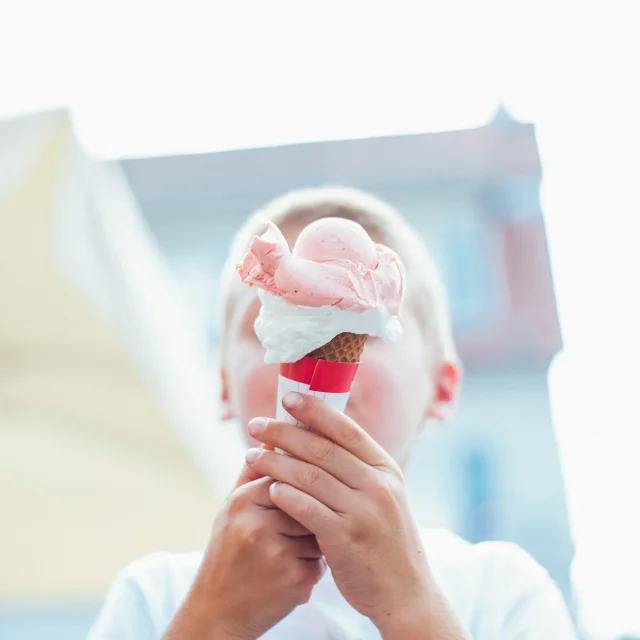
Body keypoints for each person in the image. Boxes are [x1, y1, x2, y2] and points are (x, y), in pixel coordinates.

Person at [88, 187, 577, 639]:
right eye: (268, 321)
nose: (313, 344)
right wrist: (215, 619)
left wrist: (409, 604)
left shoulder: (503, 591)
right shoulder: (154, 599)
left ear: (440, 389)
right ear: (222, 388)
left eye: (364, 328)